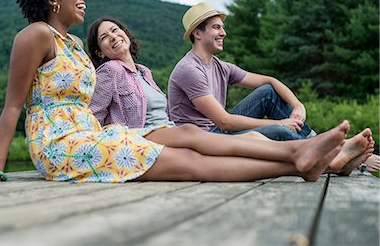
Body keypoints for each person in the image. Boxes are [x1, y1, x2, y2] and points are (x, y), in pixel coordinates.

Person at [0, 0, 369, 184]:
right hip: (59, 145)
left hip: (90, 137)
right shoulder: (35, 35)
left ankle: (308, 156)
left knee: (188, 143)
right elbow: (13, 105)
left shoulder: (74, 45)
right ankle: (302, 158)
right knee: (187, 161)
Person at [87, 17, 374, 177]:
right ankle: (331, 158)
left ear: (125, 33)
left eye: (115, 30)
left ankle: (319, 153)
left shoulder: (144, 72)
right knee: (272, 129)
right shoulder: (111, 71)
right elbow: (94, 116)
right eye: (104, 37)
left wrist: (297, 108)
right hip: (174, 135)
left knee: (264, 109)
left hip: (174, 133)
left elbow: (269, 82)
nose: (113, 36)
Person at [168, 1, 379, 172]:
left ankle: (334, 152)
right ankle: (336, 155)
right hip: (203, 141)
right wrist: (283, 122)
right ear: (197, 33)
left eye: (222, 27)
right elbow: (225, 121)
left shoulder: (220, 67)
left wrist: (297, 106)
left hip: (218, 131)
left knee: (269, 94)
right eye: (216, 27)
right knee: (278, 129)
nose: (224, 33)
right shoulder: (189, 69)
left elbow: (270, 82)